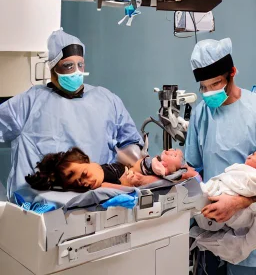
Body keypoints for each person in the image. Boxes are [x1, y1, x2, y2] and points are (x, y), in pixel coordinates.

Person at [0, 28, 143, 199]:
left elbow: (131, 144)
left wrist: (135, 167)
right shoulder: (30, 102)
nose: (76, 71)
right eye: (68, 66)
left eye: (80, 65)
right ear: (53, 68)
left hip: (100, 200)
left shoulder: (105, 99)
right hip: (42, 205)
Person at [185, 38, 256, 275]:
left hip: (249, 239)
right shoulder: (201, 114)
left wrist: (240, 203)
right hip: (211, 233)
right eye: (203, 88)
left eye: (215, 84)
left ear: (232, 73)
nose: (208, 94)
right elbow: (193, 171)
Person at [25, 147, 185, 191]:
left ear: (86, 160)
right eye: (79, 184)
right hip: (143, 177)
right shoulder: (102, 185)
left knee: (172, 164)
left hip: (143, 167)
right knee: (178, 174)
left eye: (84, 174)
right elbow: (126, 188)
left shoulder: (104, 169)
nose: (86, 182)